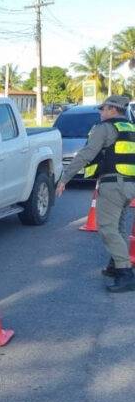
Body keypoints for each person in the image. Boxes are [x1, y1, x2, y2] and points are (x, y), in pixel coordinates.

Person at [56, 95, 135, 292]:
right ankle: (116, 266)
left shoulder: (105, 128)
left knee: (108, 228)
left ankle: (125, 273)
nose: (100, 112)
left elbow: (86, 154)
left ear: (113, 110)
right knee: (117, 227)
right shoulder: (130, 128)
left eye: (103, 108)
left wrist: (65, 178)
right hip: (129, 185)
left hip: (113, 185)